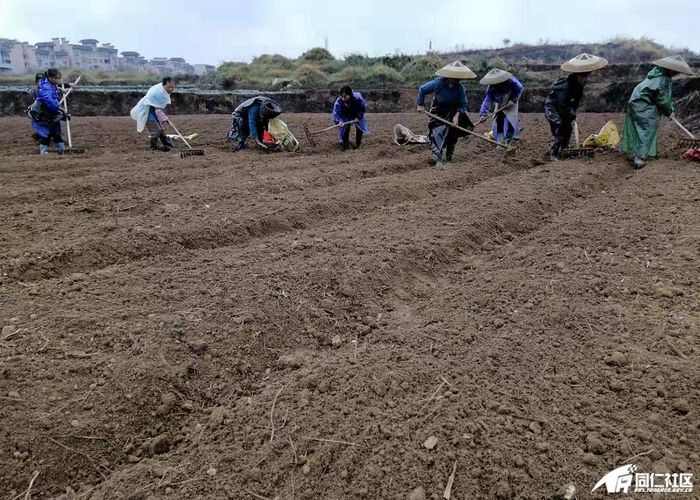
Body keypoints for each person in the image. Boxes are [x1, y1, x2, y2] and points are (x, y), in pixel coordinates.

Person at [620, 55, 694, 168]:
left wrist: (669, 110)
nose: (677, 74)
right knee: (647, 127)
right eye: (676, 71)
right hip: (642, 102)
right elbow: (662, 98)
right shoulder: (661, 78)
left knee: (645, 127)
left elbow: (661, 97)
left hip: (638, 100)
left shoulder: (658, 74)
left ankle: (640, 153)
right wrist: (669, 111)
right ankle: (639, 158)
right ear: (670, 69)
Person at [545, 53, 608, 160]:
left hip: (564, 108)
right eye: (583, 77)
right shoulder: (565, 87)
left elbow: (574, 103)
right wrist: (571, 114)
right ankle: (553, 154)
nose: (585, 80)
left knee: (568, 128)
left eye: (586, 77)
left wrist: (572, 113)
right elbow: (562, 104)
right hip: (554, 109)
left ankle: (564, 150)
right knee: (559, 128)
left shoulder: (578, 86)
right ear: (577, 76)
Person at [417, 61, 476, 166]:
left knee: (453, 135)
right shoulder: (439, 83)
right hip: (439, 110)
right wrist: (420, 105)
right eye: (454, 78)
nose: (456, 80)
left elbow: (463, 104)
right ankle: (438, 158)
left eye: (458, 78)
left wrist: (456, 117)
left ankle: (449, 158)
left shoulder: (460, 88)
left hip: (454, 111)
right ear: (448, 76)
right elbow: (423, 89)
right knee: (437, 133)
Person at [27, 68, 70, 155]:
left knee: (56, 131)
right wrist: (61, 109)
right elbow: (49, 101)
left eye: (59, 78)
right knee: (48, 132)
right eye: (56, 78)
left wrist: (61, 90)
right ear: (50, 78)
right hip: (43, 113)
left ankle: (61, 149)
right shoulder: (45, 88)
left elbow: (54, 89)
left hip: (50, 112)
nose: (58, 80)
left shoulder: (50, 84)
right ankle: (44, 151)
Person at [130, 77, 175, 151]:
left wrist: (167, 120)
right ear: (163, 85)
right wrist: (168, 121)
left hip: (152, 111)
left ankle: (168, 146)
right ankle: (153, 148)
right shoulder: (157, 93)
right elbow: (158, 110)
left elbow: (157, 110)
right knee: (156, 131)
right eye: (168, 87)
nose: (171, 89)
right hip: (146, 111)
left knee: (161, 130)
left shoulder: (162, 91)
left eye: (172, 87)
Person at [479, 68, 523, 145]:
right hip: (500, 102)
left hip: (511, 101)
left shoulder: (512, 82)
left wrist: (513, 100)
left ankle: (509, 140)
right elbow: (487, 100)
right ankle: (500, 140)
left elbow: (519, 89)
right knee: (500, 118)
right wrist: (483, 113)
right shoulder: (491, 87)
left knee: (511, 120)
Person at [332, 85, 369, 150]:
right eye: (342, 96)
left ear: (350, 95)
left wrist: (358, 117)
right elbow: (336, 114)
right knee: (345, 127)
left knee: (360, 128)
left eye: (345, 96)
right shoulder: (338, 102)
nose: (343, 99)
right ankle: (345, 145)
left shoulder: (358, 98)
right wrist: (339, 121)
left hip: (356, 113)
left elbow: (363, 108)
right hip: (345, 115)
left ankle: (358, 144)